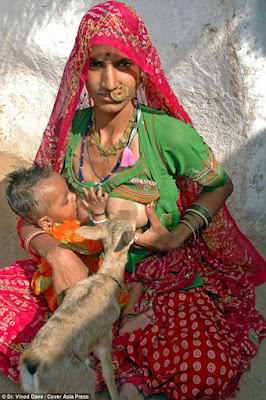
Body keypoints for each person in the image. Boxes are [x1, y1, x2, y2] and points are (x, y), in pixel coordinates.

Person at [0, 2, 265, 399]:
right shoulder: (69, 132)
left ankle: (120, 366)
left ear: (142, 69)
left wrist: (176, 236)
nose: (109, 81)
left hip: (159, 276)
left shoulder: (169, 135)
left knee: (205, 368)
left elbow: (220, 185)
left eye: (123, 64)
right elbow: (32, 213)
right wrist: (57, 254)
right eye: (96, 64)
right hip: (85, 268)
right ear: (80, 69)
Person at [5, 164, 151, 334]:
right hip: (75, 289)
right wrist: (98, 214)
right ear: (45, 221)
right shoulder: (66, 232)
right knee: (133, 288)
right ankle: (124, 321)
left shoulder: (53, 225)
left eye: (69, 190)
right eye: (66, 200)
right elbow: (98, 245)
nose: (74, 197)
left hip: (66, 288)